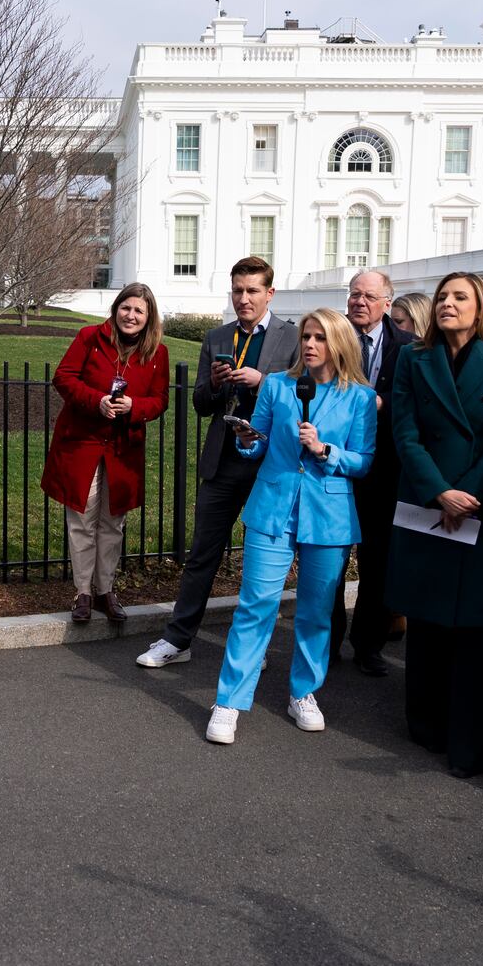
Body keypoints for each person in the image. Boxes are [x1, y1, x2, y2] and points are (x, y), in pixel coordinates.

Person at [386, 271, 483, 778]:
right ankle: (426, 727)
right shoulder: (413, 357)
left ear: (482, 306)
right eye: (443, 296)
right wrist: (439, 492)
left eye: (459, 297)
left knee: (478, 628)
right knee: (427, 620)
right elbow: (404, 432)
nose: (447, 304)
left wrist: (466, 495)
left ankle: (472, 746)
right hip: (429, 503)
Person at [204, 309, 376, 743]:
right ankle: (228, 701)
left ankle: (303, 692)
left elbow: (363, 460)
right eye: (306, 336)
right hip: (273, 506)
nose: (311, 344)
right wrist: (246, 439)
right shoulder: (278, 385)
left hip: (328, 516)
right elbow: (257, 441)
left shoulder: (359, 397)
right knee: (255, 604)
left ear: (339, 342)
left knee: (316, 612)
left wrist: (325, 450)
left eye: (320, 337)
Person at [136, 257, 299, 668]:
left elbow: (303, 399)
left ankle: (252, 648)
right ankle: (178, 639)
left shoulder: (292, 338)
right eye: (238, 291)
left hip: (270, 465)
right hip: (224, 462)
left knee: (260, 562)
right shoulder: (218, 336)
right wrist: (214, 383)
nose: (244, 298)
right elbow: (200, 405)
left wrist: (264, 382)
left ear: (269, 294)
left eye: (252, 291)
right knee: (202, 554)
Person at [41, 283, 170, 622]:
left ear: (148, 317)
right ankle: (83, 592)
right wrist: (96, 401)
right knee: (82, 520)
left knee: (113, 523)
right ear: (116, 309)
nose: (131, 315)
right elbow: (63, 378)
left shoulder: (158, 353)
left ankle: (105, 591)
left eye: (139, 311)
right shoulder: (89, 338)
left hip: (123, 450)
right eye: (126, 308)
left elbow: (160, 401)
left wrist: (135, 406)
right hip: (82, 442)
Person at [331, 270, 414, 676]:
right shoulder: (331, 338)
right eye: (354, 294)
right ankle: (326, 643)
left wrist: (383, 407)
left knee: (377, 561)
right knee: (331, 559)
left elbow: (416, 405)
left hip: (385, 470)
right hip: (334, 467)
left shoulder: (409, 348)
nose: (359, 302)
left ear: (387, 303)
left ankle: (368, 645)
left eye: (368, 296)